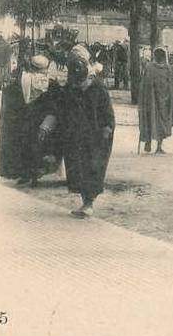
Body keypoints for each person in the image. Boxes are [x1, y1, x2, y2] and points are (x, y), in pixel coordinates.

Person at [38, 54, 115, 218]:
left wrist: (107, 129)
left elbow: (107, 112)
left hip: (95, 138)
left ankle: (89, 203)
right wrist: (46, 125)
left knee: (92, 168)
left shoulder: (98, 88)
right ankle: (85, 202)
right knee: (78, 169)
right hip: (74, 137)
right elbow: (58, 110)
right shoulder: (69, 90)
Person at [138, 47, 173, 155]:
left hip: (162, 101)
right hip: (152, 101)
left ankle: (158, 146)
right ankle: (149, 143)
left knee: (158, 123)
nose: (159, 57)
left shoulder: (167, 69)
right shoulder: (150, 67)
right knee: (151, 121)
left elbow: (170, 84)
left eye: (160, 55)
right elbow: (144, 83)